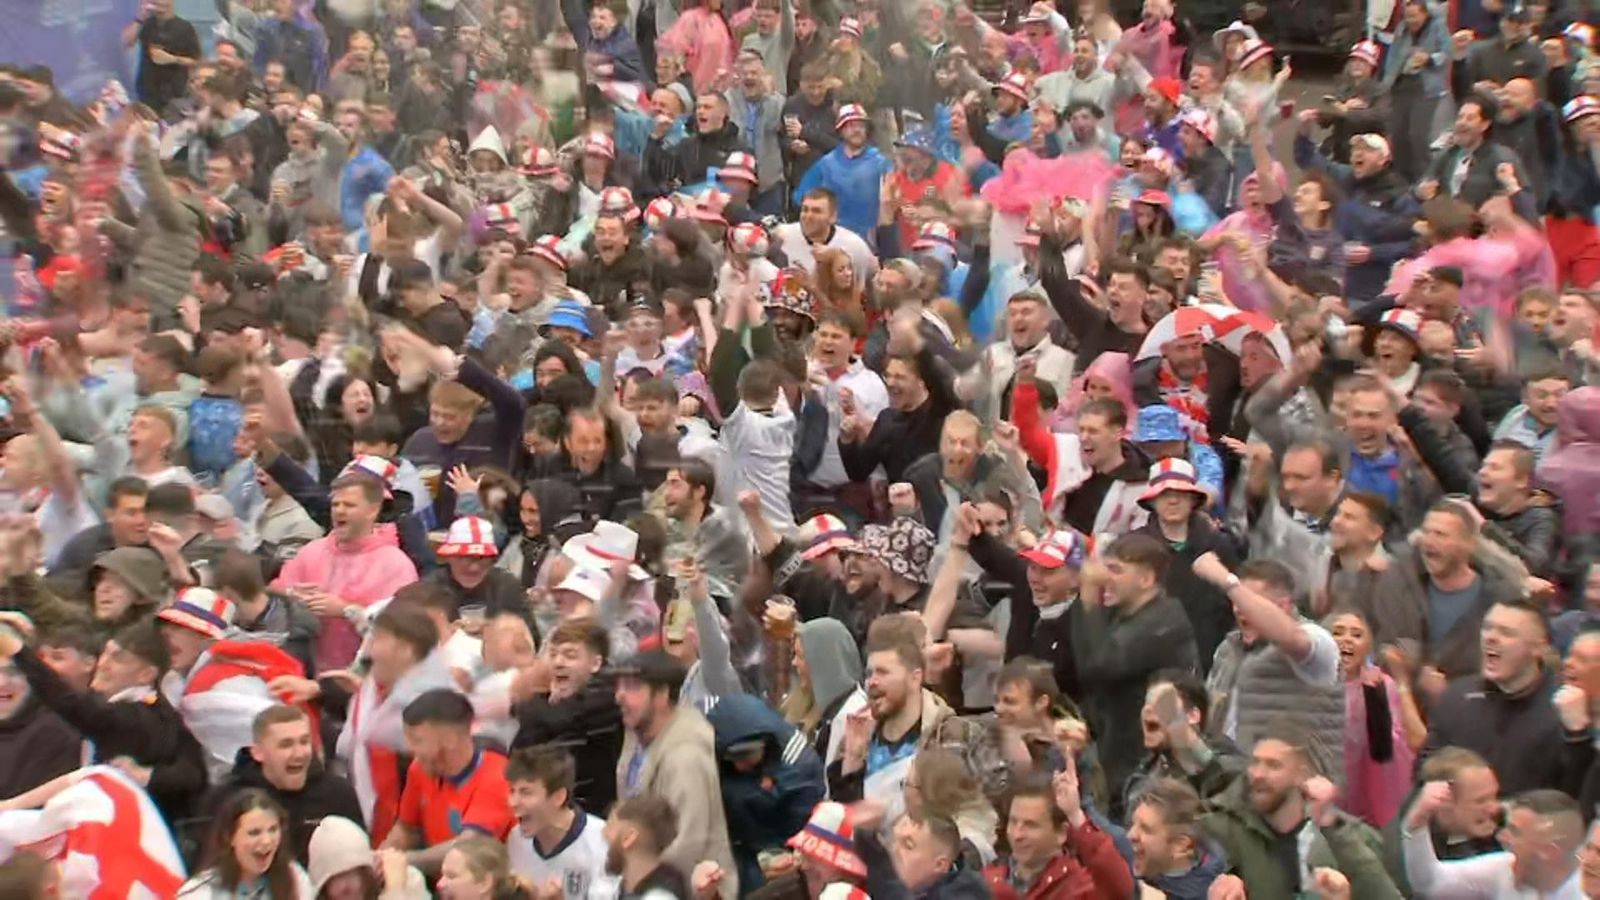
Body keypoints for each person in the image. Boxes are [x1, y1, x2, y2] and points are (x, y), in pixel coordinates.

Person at [0, 614, 208, 823]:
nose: (103, 664)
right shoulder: (160, 712)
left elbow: (69, 704)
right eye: (105, 654)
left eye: (118, 658)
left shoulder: (137, 719)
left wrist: (19, 651)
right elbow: (193, 773)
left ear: (146, 674)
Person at [1072, 533, 1198, 818]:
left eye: (1116, 570)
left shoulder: (1164, 621)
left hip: (1152, 769)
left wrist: (1088, 596)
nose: (1106, 578)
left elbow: (1097, 667)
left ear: (1146, 579)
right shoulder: (1123, 614)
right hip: (1118, 757)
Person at [1200, 723, 1401, 899]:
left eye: (1273, 765)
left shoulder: (1349, 837)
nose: (1257, 774)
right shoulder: (1221, 827)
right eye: (1255, 762)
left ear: (1302, 775)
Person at [1421, 598, 1595, 796]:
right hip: (1463, 822)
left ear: (1540, 647)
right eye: (1487, 628)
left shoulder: (1567, 707)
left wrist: (1577, 738)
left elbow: (1578, 794)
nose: (1491, 637)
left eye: (1506, 632)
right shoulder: (1458, 695)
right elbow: (1426, 768)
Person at [1194, 555, 1345, 784]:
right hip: (1234, 782)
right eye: (1235, 601)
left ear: (1283, 605)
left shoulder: (1317, 640)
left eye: (1248, 601)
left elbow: (1293, 638)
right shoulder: (1229, 647)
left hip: (1298, 789)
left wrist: (1227, 581)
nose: (1239, 609)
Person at [613, 650, 738, 898]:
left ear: (661, 695)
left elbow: (687, 844)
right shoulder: (636, 734)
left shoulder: (685, 757)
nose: (619, 696)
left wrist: (637, 883)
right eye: (618, 686)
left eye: (632, 687)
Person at [205, 704, 364, 865]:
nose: (298, 753)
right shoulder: (228, 800)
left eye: (304, 742)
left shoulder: (338, 794)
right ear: (258, 753)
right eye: (286, 744)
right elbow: (210, 865)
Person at [704, 693, 826, 891]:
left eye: (747, 755)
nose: (740, 765)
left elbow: (804, 826)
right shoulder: (716, 750)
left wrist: (779, 857)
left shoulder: (797, 766)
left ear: (765, 744)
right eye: (732, 758)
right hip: (735, 849)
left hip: (780, 851)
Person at [383, 689, 515, 869]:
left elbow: (468, 849)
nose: (410, 749)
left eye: (417, 740)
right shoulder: (419, 769)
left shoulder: (498, 776)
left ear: (450, 739)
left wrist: (401, 862)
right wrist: (379, 859)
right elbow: (406, 829)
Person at [510, 619, 625, 816]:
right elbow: (518, 755)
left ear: (596, 663)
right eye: (553, 654)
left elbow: (559, 718)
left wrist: (538, 705)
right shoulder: (551, 703)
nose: (558, 662)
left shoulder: (608, 696)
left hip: (593, 816)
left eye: (570, 655)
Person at [1403, 786, 1584, 897]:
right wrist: (1418, 822)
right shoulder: (1505, 868)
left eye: (1515, 832)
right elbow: (1432, 883)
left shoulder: (1583, 893)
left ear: (1549, 850)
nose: (1501, 836)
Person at [980, 769, 1134, 898]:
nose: (1017, 835)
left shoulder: (1080, 887)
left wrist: (1076, 816)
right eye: (1013, 822)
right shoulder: (987, 883)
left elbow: (1120, 889)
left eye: (1031, 825)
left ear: (1061, 833)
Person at [504, 745, 615, 898]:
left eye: (526, 792)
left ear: (558, 797)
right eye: (512, 791)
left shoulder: (602, 840)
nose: (513, 802)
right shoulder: (516, 839)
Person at [178, 788, 316, 899]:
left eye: (273, 830)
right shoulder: (200, 892)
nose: (267, 841)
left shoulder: (294, 877)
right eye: (254, 833)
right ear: (229, 837)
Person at [1126, 777, 1226, 899]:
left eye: (1146, 829)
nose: (1131, 835)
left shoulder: (1210, 895)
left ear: (1180, 846)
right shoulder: (1128, 859)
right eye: (1133, 823)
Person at [305, 816, 431, 900]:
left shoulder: (408, 879)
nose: (346, 886)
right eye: (335, 878)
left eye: (352, 872)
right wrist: (394, 892)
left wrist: (395, 885)